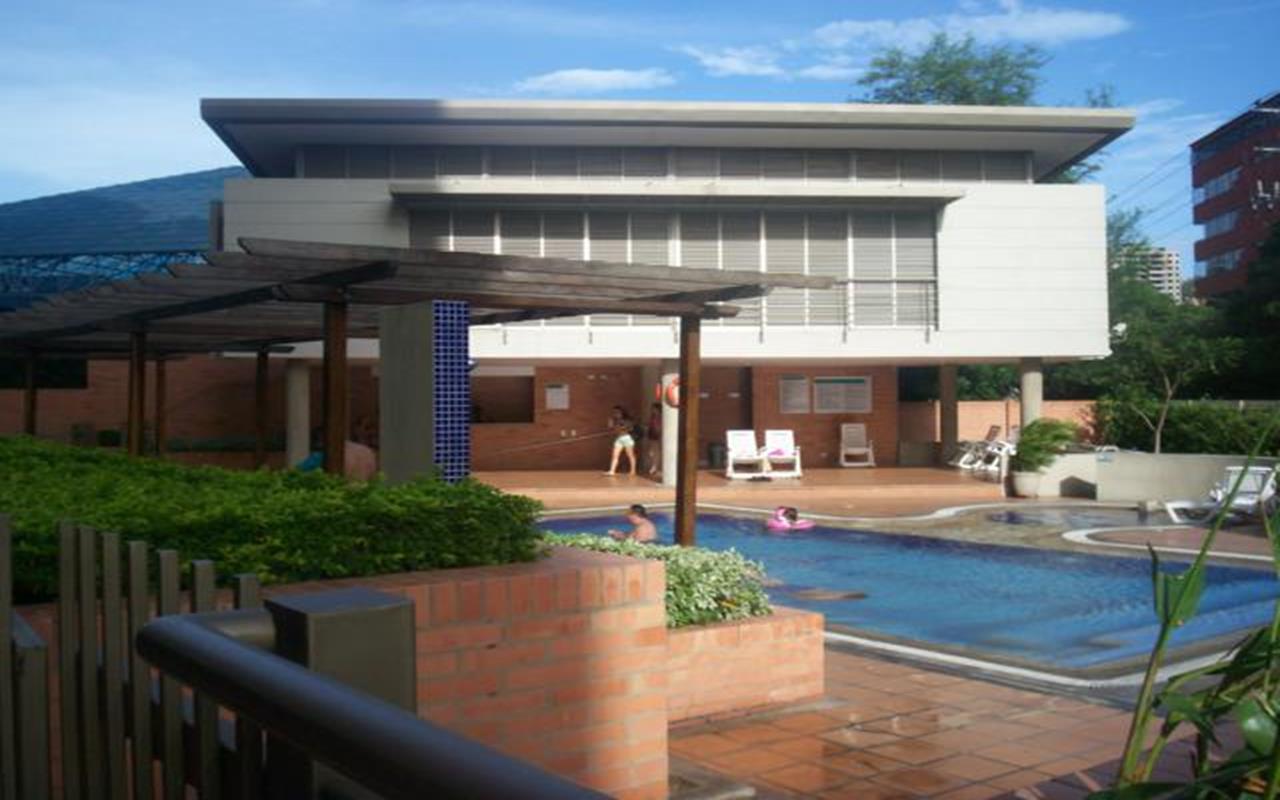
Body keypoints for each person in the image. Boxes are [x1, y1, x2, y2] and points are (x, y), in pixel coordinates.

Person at [604, 405, 637, 476]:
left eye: (617, 412)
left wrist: (622, 428)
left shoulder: (627, 420)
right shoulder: (615, 420)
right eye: (614, 412)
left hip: (627, 438)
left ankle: (633, 470)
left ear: (621, 412)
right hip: (619, 439)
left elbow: (631, 428)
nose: (615, 413)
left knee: (630, 455)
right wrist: (610, 424)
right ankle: (612, 471)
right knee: (615, 455)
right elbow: (611, 429)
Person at [645, 402, 662, 478]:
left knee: (655, 452)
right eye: (652, 409)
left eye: (654, 409)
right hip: (651, 435)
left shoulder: (660, 417)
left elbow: (659, 427)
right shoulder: (653, 417)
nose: (653, 410)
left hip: (657, 436)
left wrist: (659, 433)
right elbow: (649, 425)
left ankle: (655, 467)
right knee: (651, 452)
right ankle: (654, 466)